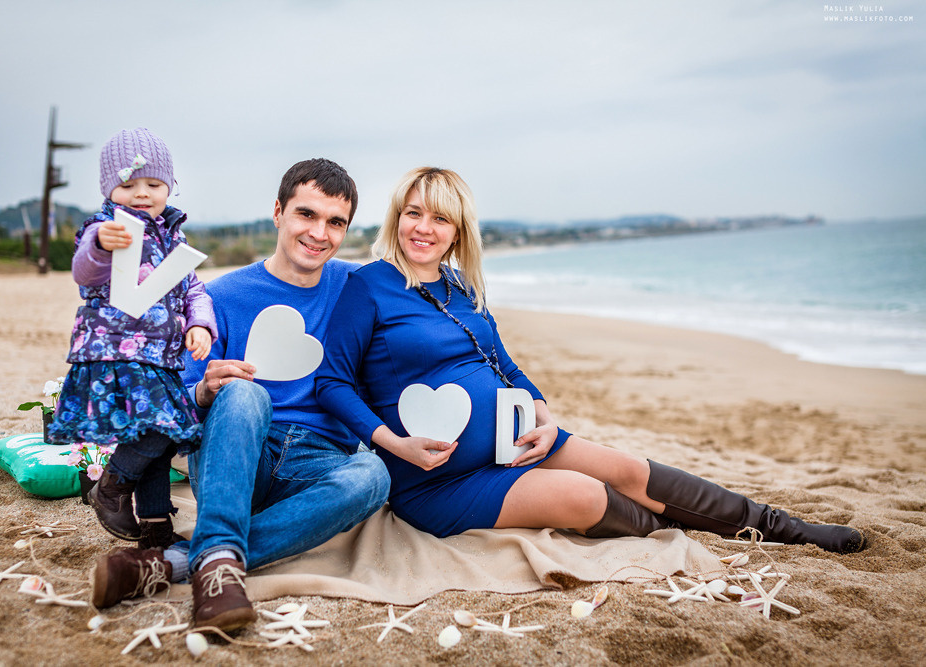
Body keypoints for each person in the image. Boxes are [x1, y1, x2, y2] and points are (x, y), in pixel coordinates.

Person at [314, 166, 866, 554]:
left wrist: (543, 410)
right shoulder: (368, 287)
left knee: (629, 469)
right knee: (583, 495)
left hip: (516, 444)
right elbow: (332, 383)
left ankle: (787, 530)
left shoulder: (459, 285)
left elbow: (504, 364)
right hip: (437, 483)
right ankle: (680, 532)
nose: (423, 228)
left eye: (439, 218)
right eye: (414, 213)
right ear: (397, 217)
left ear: (457, 232)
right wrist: (394, 443)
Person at [89, 158, 390, 633]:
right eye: (306, 214)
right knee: (248, 395)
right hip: (236, 449)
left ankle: (185, 562)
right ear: (278, 212)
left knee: (373, 475)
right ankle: (217, 563)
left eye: (335, 222)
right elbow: (172, 399)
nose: (319, 233)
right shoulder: (220, 296)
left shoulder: (358, 287)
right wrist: (206, 390)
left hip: (316, 460)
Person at [49, 128, 216, 548]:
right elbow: (84, 273)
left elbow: (193, 289)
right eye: (128, 184)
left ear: (169, 187)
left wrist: (199, 324)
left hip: (161, 356)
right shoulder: (104, 228)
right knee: (162, 427)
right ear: (109, 187)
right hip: (116, 352)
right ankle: (111, 487)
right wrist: (100, 247)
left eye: (154, 185)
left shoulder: (173, 238)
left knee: (155, 442)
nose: (142, 194)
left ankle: (155, 526)